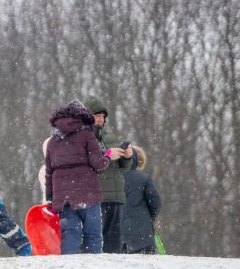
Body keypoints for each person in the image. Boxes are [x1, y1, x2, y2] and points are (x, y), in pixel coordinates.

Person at [43, 101, 111, 254]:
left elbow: (49, 172)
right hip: (88, 193)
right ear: (82, 116)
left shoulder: (53, 141)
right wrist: (107, 157)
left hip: (63, 196)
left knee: (70, 235)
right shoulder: (87, 134)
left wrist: (50, 198)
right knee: (93, 234)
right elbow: (98, 163)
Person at [82, 95, 133, 253]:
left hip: (116, 195)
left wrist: (127, 156)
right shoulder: (82, 137)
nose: (100, 119)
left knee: (114, 241)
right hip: (97, 195)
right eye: (97, 115)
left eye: (103, 116)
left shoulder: (109, 137)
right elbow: (85, 164)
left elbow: (122, 168)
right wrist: (106, 156)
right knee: (97, 238)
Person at [121, 145, 162, 254]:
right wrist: (150, 217)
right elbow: (155, 203)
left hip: (117, 234)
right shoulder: (144, 178)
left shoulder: (111, 180)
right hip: (142, 236)